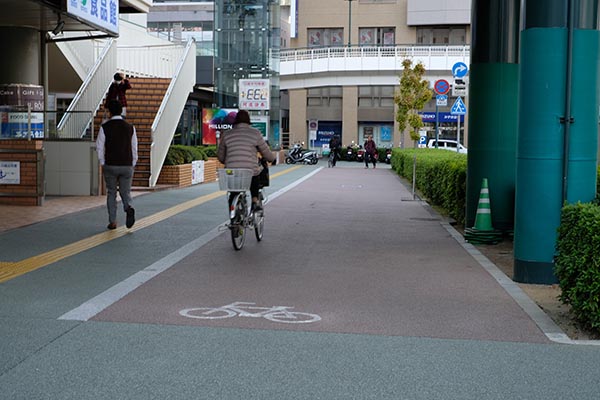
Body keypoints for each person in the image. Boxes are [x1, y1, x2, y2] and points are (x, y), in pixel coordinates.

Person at [217, 110, 276, 210]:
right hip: (249, 169)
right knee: (255, 174)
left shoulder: (227, 134)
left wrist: (227, 161)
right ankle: (254, 200)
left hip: (232, 170)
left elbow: (221, 156)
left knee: (234, 190)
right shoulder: (255, 133)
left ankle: (233, 214)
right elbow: (265, 151)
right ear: (248, 120)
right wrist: (272, 159)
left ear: (235, 121)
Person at [96, 100, 138, 230]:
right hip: (127, 165)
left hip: (111, 165)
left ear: (110, 112)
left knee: (112, 193)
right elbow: (134, 147)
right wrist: (132, 163)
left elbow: (99, 147)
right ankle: (128, 207)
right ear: (121, 111)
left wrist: (103, 162)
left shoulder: (105, 127)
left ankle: (113, 221)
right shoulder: (130, 128)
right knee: (125, 192)